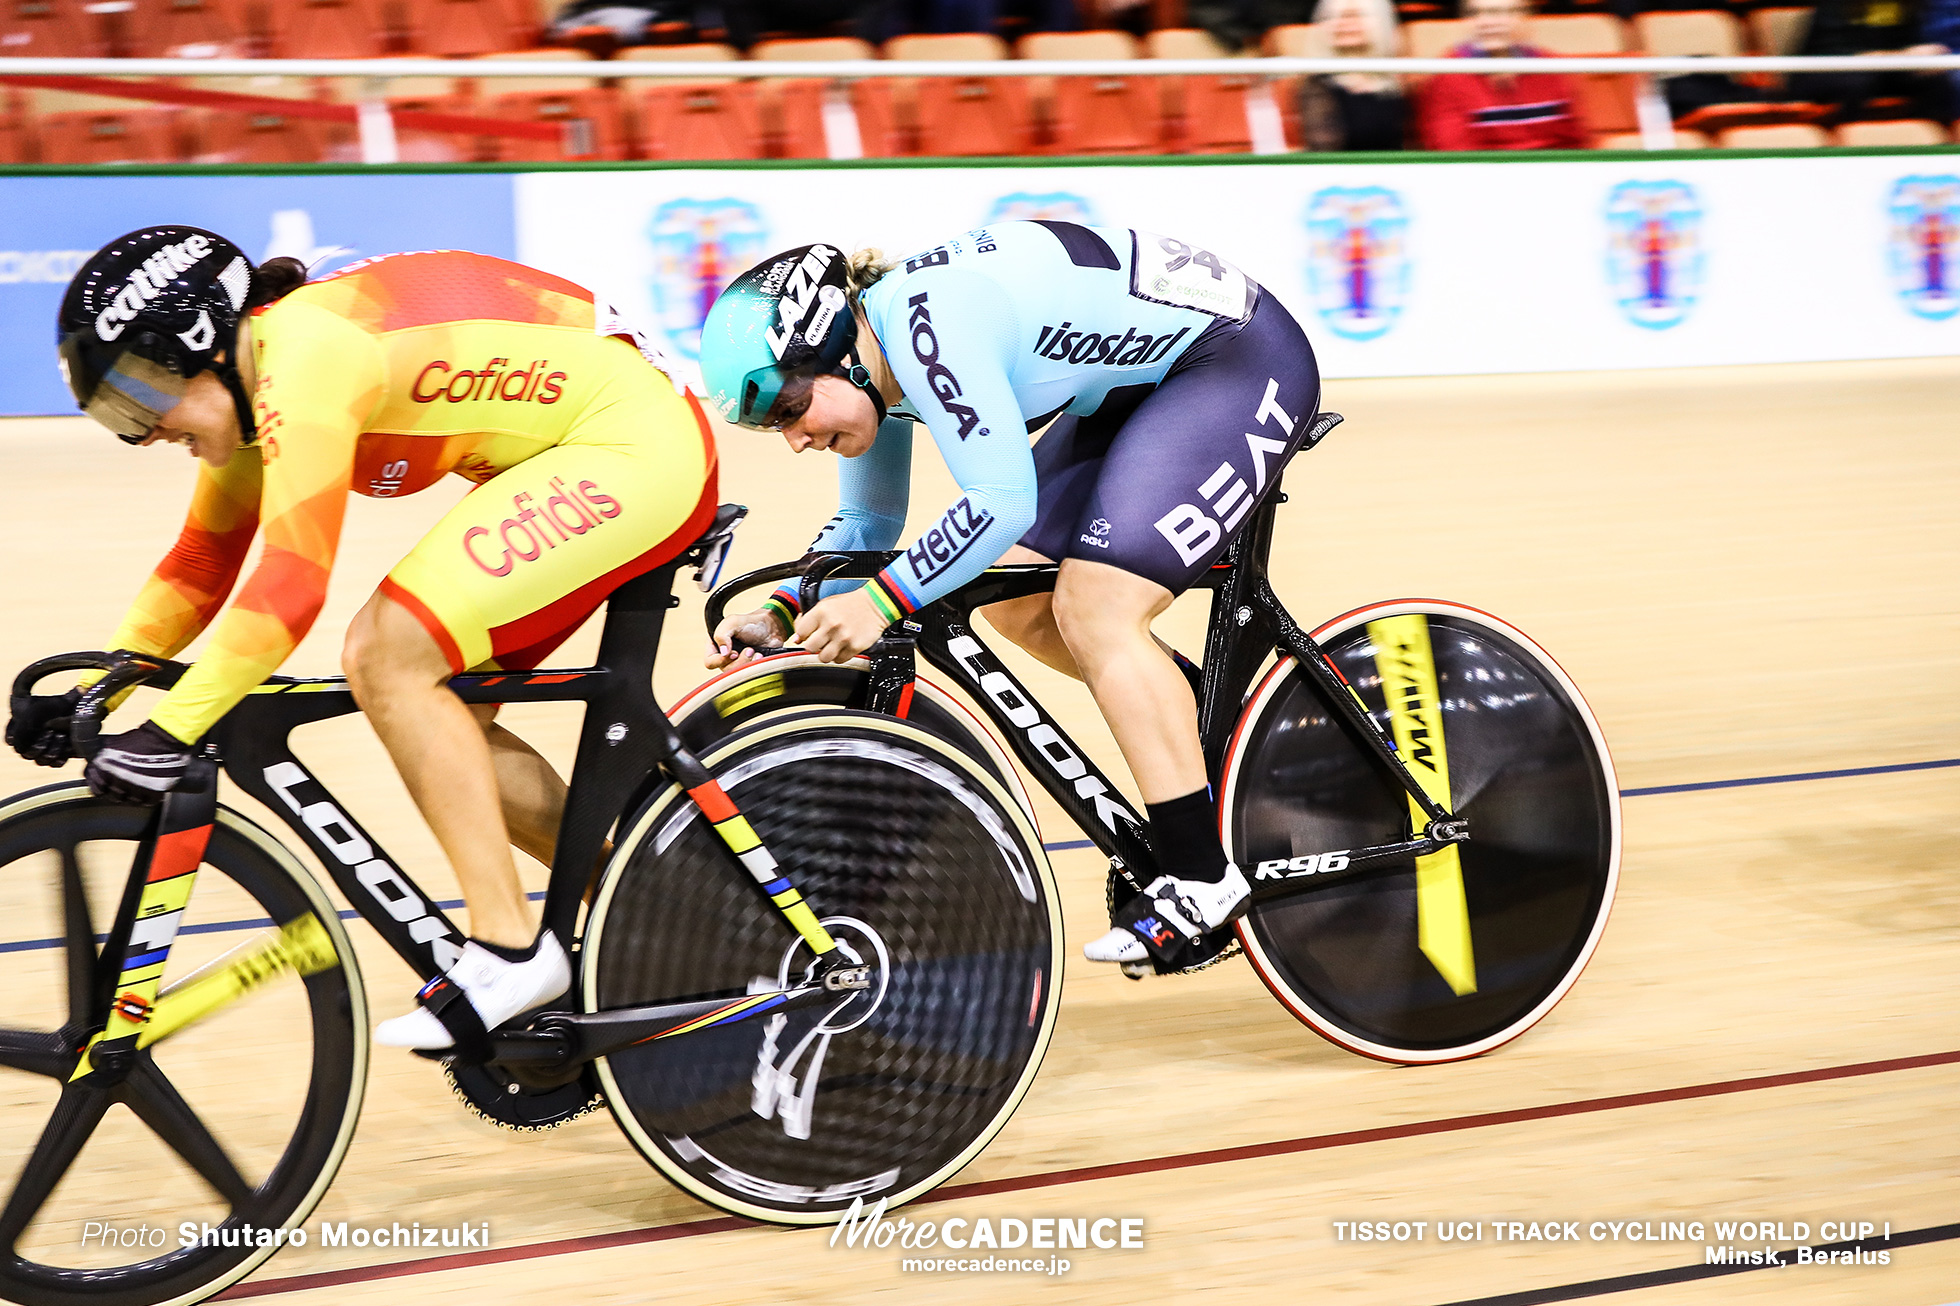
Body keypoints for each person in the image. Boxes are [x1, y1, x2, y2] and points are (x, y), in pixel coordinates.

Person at [10, 227, 717, 1051]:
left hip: (633, 447)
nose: (143, 433)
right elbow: (203, 563)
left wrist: (171, 730)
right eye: (115, 415)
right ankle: (667, 908)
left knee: (387, 653)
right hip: (586, 449)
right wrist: (106, 686)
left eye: (139, 398)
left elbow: (291, 585)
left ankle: (507, 950)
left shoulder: (304, 358)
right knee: (447, 726)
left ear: (197, 346)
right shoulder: (251, 385)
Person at [697, 223, 1321, 973]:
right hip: (1139, 388)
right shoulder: (883, 363)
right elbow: (868, 524)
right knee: (1014, 601)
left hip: (1235, 362)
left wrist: (880, 603)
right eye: (774, 427)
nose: (794, 439)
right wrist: (785, 610)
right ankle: (1210, 733)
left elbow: (999, 504)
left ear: (834, 352)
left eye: (790, 409)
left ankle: (1201, 878)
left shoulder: (930, 329)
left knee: (1097, 610)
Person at [1417, 0, 1587, 150]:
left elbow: (1578, 141)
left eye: (1501, 12)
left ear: (1525, 17)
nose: (1487, 22)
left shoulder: (1554, 67)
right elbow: (1453, 152)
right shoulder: (1448, 74)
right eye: (1476, 13)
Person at [1788, 0, 1954, 123]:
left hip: (1884, 71)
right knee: (1858, 82)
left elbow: (1909, 44)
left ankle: (1928, 144)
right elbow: (1839, 55)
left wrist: (1923, 55)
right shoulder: (1835, 6)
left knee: (1936, 80)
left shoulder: (1907, 5)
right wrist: (1898, 56)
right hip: (1825, 70)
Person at [1300, 0, 1408, 151]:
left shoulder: (1396, 84)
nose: (1344, 23)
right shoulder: (1317, 86)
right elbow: (1324, 151)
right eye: (1334, 16)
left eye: (1355, 15)